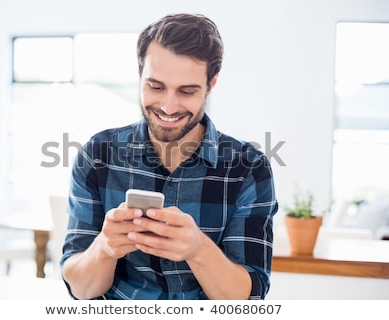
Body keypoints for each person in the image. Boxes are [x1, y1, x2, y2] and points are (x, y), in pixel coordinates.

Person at [61, 13, 278, 300]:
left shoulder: (249, 168)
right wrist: (105, 247)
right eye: (156, 87)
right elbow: (80, 288)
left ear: (211, 84)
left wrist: (199, 250)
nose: (169, 106)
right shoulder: (98, 155)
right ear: (140, 76)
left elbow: (246, 300)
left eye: (187, 91)